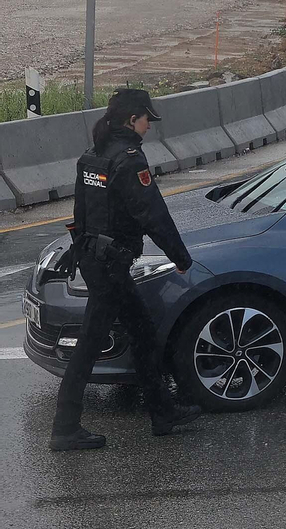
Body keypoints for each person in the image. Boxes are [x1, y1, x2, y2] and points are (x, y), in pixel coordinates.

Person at [51, 89, 202, 452]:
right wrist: (181, 257)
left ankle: (163, 413)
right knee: (91, 344)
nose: (149, 126)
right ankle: (65, 428)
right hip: (111, 266)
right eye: (147, 119)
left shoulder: (92, 156)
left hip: (94, 259)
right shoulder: (129, 159)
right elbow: (152, 214)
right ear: (131, 119)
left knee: (143, 332)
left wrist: (84, 252)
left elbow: (81, 215)